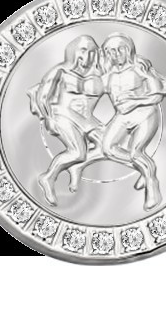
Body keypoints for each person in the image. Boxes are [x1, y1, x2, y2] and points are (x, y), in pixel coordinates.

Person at [28, 35, 104, 206]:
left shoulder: (100, 74)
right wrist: (47, 117)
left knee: (109, 145)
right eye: (84, 50)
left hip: (87, 119)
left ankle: (77, 166)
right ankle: (48, 178)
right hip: (62, 114)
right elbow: (43, 95)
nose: (88, 55)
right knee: (77, 153)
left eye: (92, 51)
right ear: (74, 51)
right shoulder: (61, 71)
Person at [101, 33, 166, 210]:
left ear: (128, 50)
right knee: (108, 148)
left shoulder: (140, 68)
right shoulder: (108, 74)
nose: (116, 54)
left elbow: (157, 96)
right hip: (122, 116)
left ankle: (152, 184)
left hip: (145, 114)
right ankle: (145, 169)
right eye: (111, 51)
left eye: (120, 49)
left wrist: (135, 101)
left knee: (136, 153)